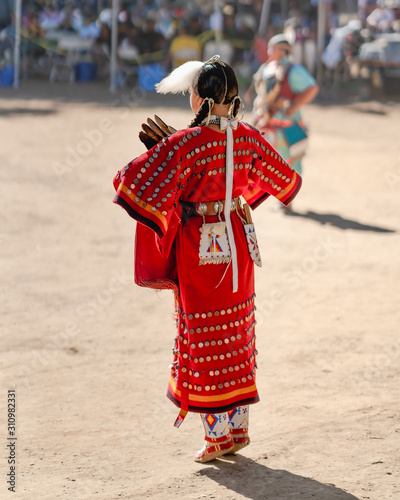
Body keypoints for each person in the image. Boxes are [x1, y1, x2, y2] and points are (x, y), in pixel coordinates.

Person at [112, 56, 302, 463]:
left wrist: (165, 150)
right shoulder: (248, 136)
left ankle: (216, 438)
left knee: (201, 338)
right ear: (233, 97)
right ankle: (238, 430)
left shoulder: (186, 143)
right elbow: (286, 181)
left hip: (201, 249)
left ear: (198, 96)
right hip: (237, 241)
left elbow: (130, 180)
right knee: (236, 334)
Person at [246, 34, 318, 209]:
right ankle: (278, 197)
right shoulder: (266, 69)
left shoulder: (293, 70)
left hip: (287, 125)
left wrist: (294, 107)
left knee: (289, 162)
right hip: (268, 124)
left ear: (280, 49)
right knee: (268, 163)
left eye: (271, 47)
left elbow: (312, 88)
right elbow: (260, 95)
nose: (269, 51)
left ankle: (288, 200)